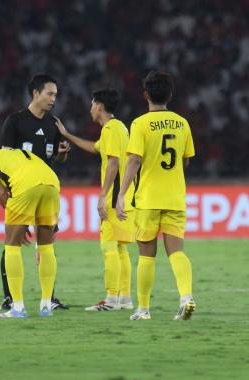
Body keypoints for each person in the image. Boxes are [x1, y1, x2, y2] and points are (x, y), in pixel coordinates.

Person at [116, 70, 196, 321]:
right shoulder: (183, 123)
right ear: (170, 95)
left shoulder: (140, 123)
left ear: (145, 95)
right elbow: (184, 162)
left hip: (148, 199)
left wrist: (121, 194)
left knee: (146, 255)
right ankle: (186, 297)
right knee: (177, 251)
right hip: (174, 197)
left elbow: (134, 160)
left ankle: (143, 310)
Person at [54, 88, 135, 311]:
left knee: (108, 246)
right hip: (126, 196)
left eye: (92, 105)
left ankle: (110, 300)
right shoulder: (119, 128)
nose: (90, 109)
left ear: (100, 106)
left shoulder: (110, 129)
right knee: (120, 248)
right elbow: (96, 148)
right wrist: (67, 134)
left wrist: (102, 197)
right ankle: (125, 300)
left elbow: (113, 162)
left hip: (113, 198)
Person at [0, 73, 71, 311]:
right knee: (13, 241)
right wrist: (8, 191)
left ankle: (49, 298)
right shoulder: (16, 121)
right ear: (36, 93)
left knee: (47, 244)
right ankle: (10, 297)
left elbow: (57, 158)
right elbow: (4, 157)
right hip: (21, 191)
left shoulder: (54, 124)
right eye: (50, 94)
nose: (53, 99)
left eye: (56, 95)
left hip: (45, 191)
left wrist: (62, 151)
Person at [0, 148, 61, 318]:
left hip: (25, 183)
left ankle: (18, 307)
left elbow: (1, 192)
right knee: (46, 247)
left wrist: (19, 223)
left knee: (12, 246)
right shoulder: (13, 155)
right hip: (52, 181)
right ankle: (46, 306)